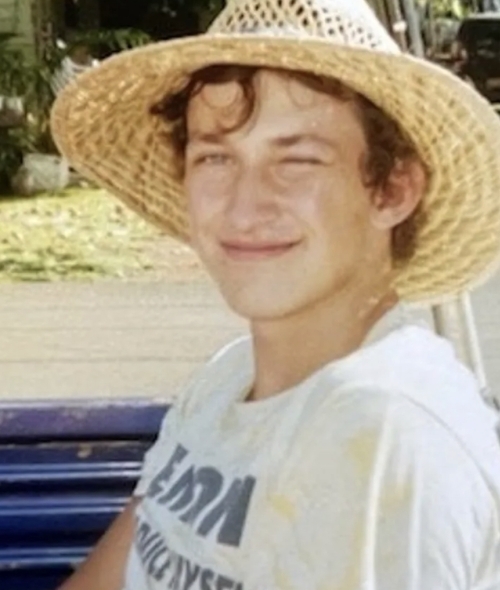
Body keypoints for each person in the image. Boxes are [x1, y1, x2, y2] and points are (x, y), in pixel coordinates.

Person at [51, 0, 500, 588]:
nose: (245, 205)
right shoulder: (226, 383)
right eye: (215, 157)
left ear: (392, 189)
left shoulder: (393, 435)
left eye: (299, 159)